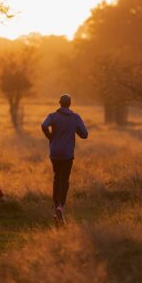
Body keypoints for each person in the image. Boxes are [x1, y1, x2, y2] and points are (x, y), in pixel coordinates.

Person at [41, 94, 88, 223]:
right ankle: (61, 206)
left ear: (59, 103)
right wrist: (74, 130)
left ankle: (56, 205)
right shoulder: (75, 117)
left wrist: (50, 137)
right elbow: (84, 134)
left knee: (57, 178)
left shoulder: (53, 116)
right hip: (67, 154)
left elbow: (44, 125)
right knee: (65, 180)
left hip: (55, 152)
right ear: (70, 104)